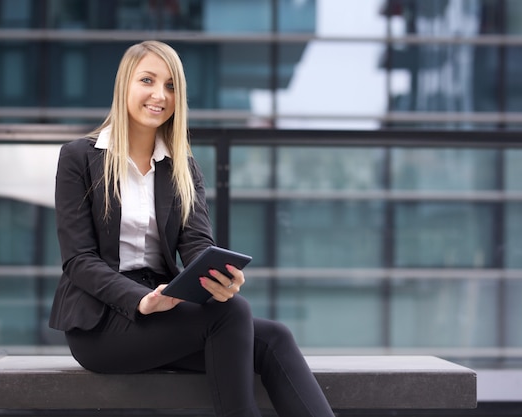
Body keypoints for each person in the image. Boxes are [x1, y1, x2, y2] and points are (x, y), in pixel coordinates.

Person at [49, 40, 335, 417]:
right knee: (232, 316)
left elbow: (199, 245)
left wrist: (220, 278)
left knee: (272, 337)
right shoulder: (79, 158)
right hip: (101, 323)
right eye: (147, 80)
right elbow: (78, 260)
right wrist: (140, 299)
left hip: (166, 310)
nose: (159, 95)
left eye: (170, 86)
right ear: (124, 86)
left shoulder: (182, 167)